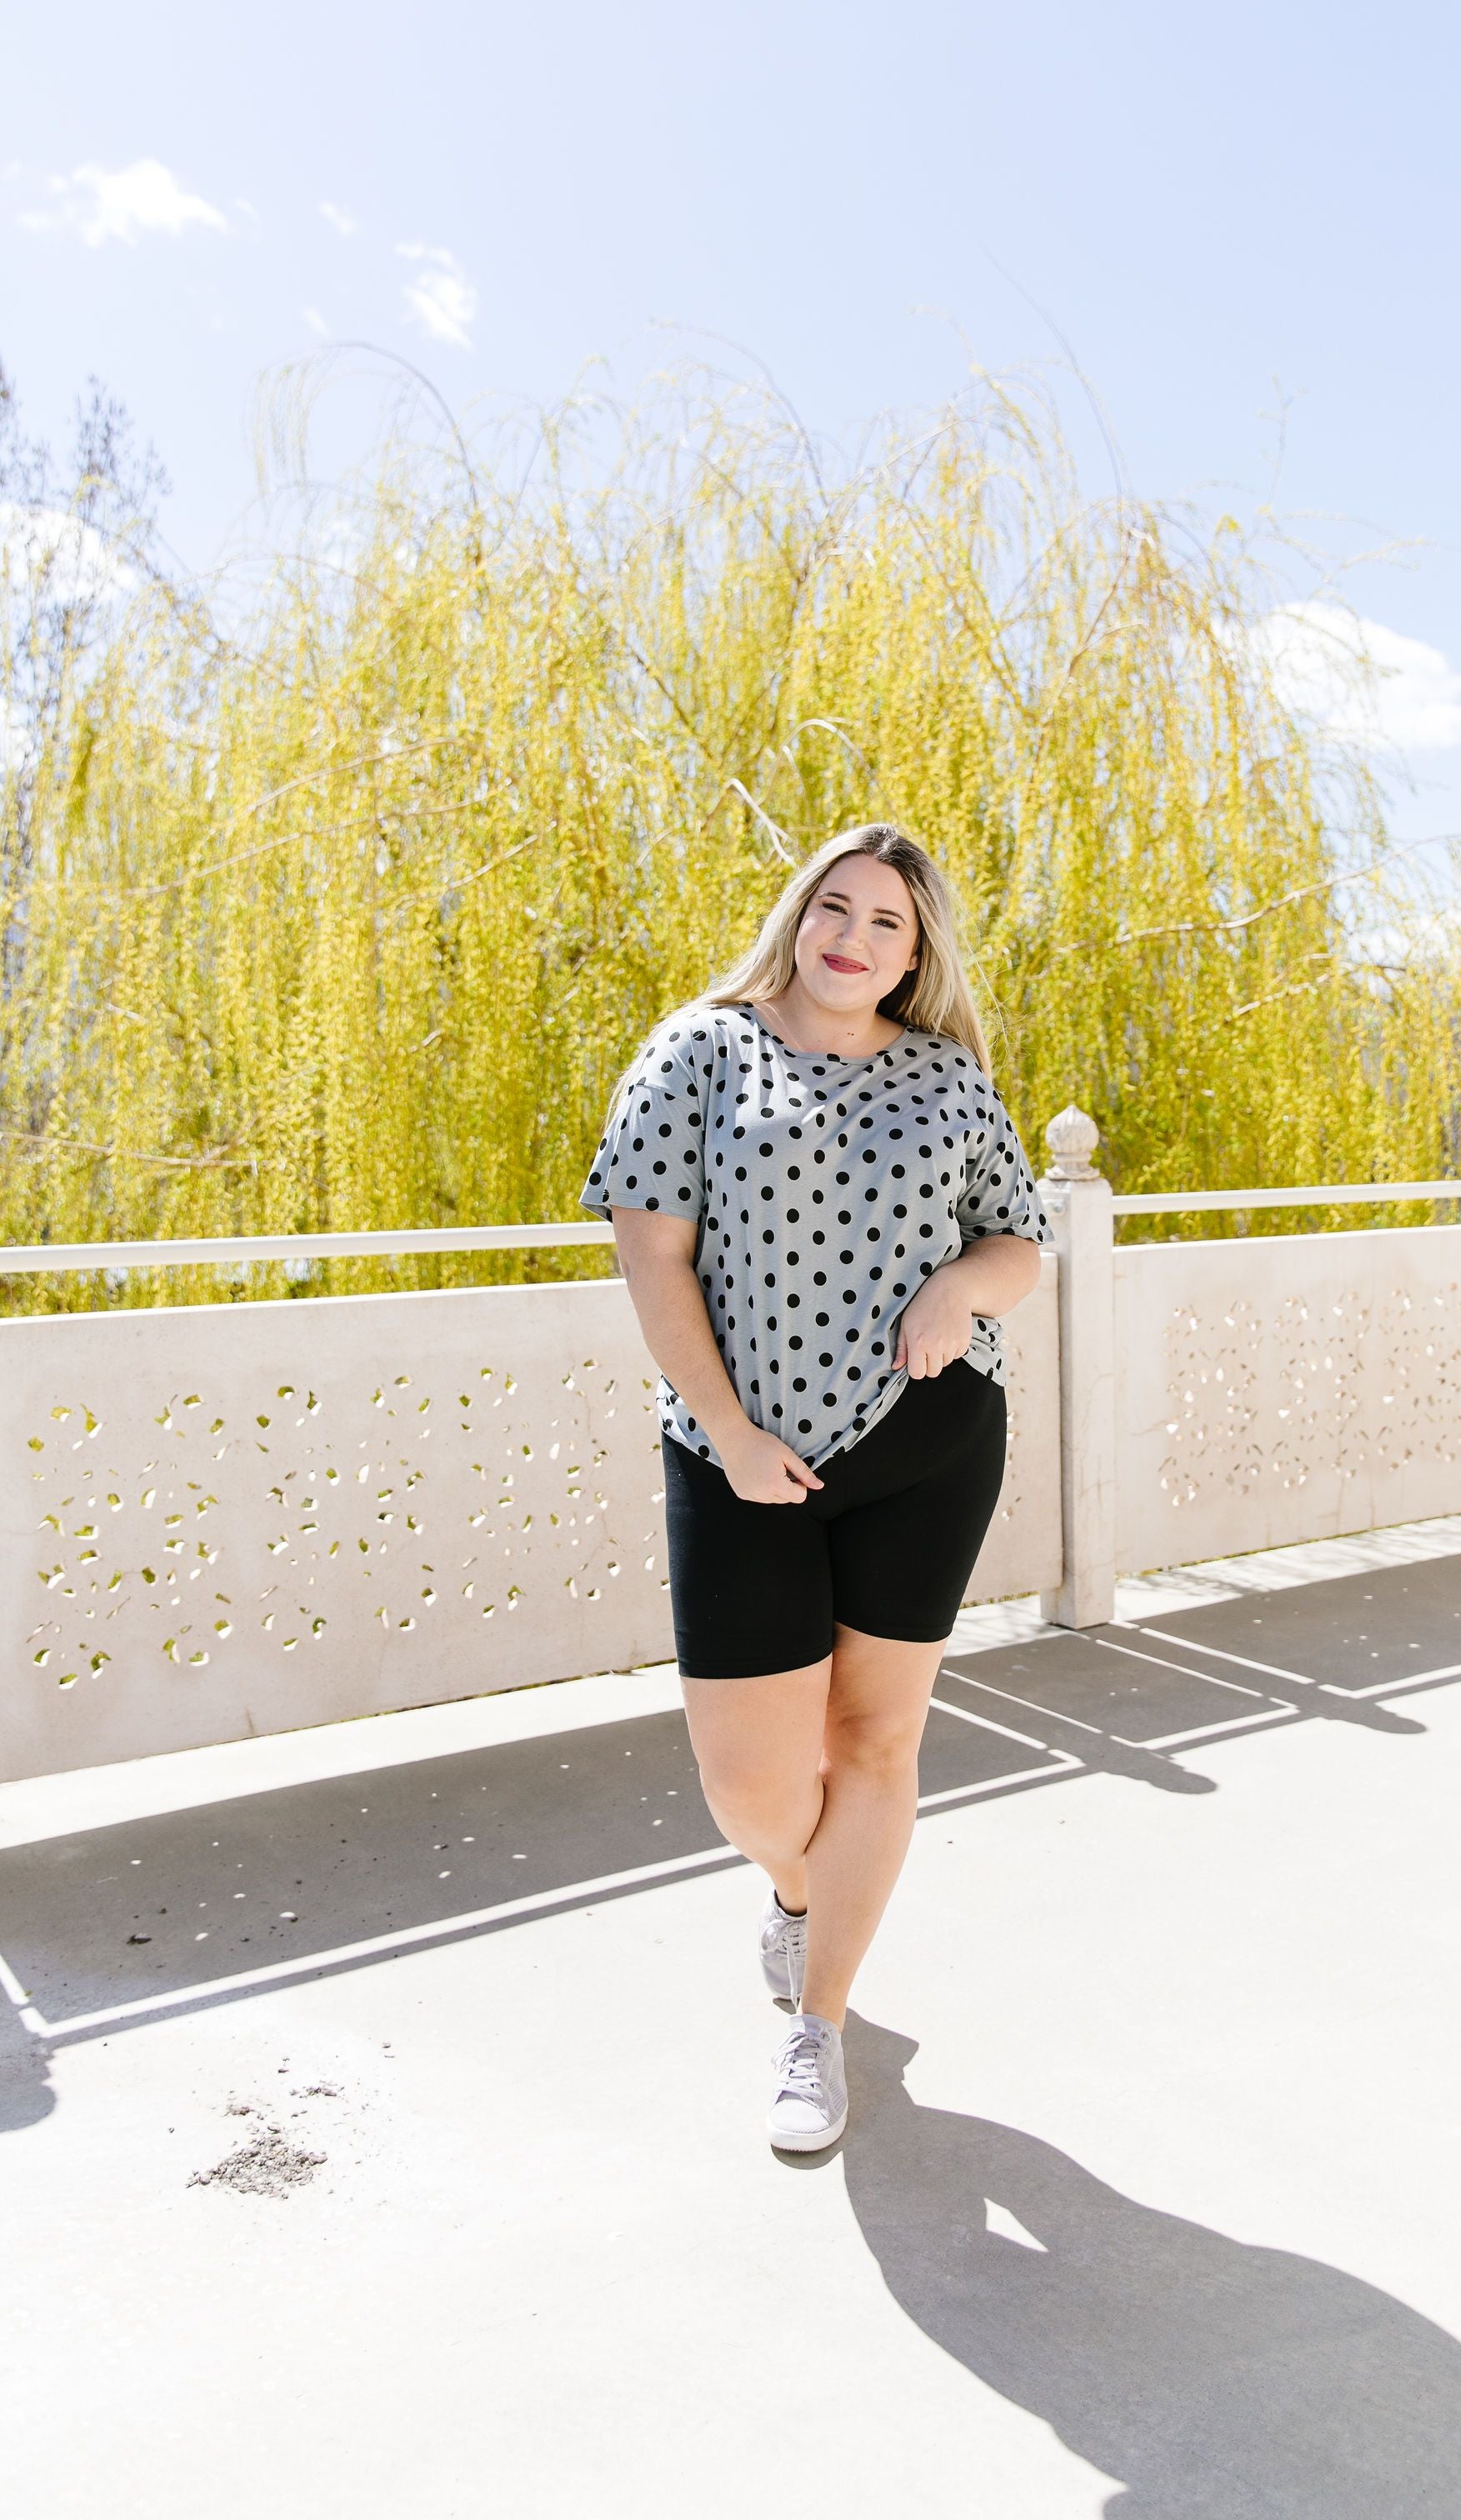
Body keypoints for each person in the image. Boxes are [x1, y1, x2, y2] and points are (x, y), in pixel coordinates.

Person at [581, 823, 1046, 2150]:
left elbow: (1020, 1239)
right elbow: (653, 1257)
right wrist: (725, 1430)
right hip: (742, 1463)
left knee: (877, 1748)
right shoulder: (699, 1049)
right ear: (798, 915)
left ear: (917, 950)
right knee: (753, 1789)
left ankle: (819, 2025)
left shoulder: (948, 1079)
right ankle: (805, 1894)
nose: (853, 935)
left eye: (887, 921)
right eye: (834, 907)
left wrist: (964, 1285)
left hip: (928, 1449)